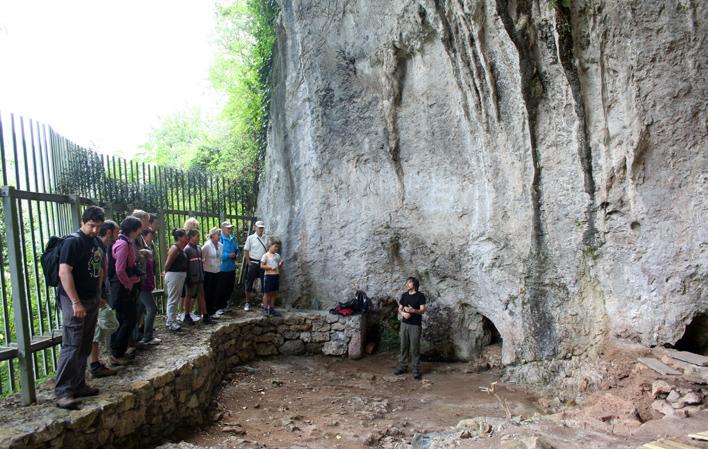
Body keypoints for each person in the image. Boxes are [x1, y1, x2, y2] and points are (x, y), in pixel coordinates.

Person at [54, 206, 105, 409]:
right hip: (74, 299)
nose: (94, 230)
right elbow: (64, 272)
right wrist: (75, 302)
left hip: (91, 297)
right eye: (92, 226)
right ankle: (63, 391)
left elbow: (100, 268)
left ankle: (78, 383)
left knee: (85, 342)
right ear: (83, 222)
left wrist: (98, 292)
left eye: (98, 227)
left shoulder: (97, 242)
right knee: (72, 343)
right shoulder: (72, 242)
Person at [87, 220, 120, 378]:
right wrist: (98, 293)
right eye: (116, 231)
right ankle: (95, 364)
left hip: (100, 292)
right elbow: (96, 271)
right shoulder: (97, 246)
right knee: (96, 327)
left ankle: (100, 360)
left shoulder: (103, 247)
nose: (118, 235)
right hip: (95, 294)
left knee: (102, 326)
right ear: (109, 232)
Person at [109, 216, 143, 364]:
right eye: (139, 229)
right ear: (134, 230)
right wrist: (129, 284)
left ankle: (119, 351)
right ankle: (117, 352)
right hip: (123, 288)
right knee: (128, 318)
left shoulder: (125, 242)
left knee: (126, 319)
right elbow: (120, 269)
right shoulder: (123, 244)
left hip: (123, 286)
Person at [394, 277, 426, 380]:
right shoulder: (404, 295)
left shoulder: (420, 296)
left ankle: (415, 369)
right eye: (407, 282)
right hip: (404, 324)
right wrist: (403, 313)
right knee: (404, 346)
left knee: (414, 348)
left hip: (415, 325)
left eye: (409, 283)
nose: (407, 284)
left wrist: (413, 311)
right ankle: (403, 366)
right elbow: (400, 307)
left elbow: (422, 310)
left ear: (414, 284)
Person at [184, 229, 214, 325]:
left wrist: (202, 273)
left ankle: (205, 315)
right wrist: (188, 278)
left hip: (200, 277)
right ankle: (186, 315)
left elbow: (200, 262)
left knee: (201, 296)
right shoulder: (187, 249)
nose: (199, 238)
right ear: (191, 237)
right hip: (191, 278)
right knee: (188, 296)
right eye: (197, 236)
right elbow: (186, 266)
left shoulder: (198, 248)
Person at [138, 228, 160, 345]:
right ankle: (147, 336)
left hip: (146, 284)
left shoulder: (148, 249)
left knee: (142, 309)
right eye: (152, 235)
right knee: (152, 308)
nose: (153, 237)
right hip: (143, 285)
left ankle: (141, 334)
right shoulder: (142, 251)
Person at [164, 229, 189, 331]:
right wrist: (166, 272)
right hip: (174, 276)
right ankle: (171, 321)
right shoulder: (175, 249)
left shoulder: (180, 249)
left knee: (175, 298)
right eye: (185, 236)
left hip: (179, 276)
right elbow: (167, 264)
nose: (187, 238)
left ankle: (171, 319)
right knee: (173, 299)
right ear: (179, 237)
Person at [243, 221, 268, 310]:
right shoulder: (250, 238)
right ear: (255, 227)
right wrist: (249, 262)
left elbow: (268, 250)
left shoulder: (266, 238)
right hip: (253, 263)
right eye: (259, 227)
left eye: (262, 228)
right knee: (249, 282)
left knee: (264, 283)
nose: (261, 229)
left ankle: (263, 303)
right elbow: (246, 250)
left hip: (262, 264)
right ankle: (247, 302)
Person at [216, 221, 238, 314]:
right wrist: (228, 255)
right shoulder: (219, 238)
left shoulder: (232, 238)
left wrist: (236, 255)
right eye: (228, 228)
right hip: (222, 268)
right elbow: (217, 253)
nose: (230, 229)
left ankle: (225, 305)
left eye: (230, 228)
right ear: (222, 228)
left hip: (231, 267)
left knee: (229, 287)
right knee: (221, 288)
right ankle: (219, 307)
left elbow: (236, 249)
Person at [260, 239, 284, 316]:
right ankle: (265, 308)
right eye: (275, 246)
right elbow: (261, 265)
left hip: (276, 275)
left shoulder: (277, 255)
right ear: (270, 246)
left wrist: (280, 264)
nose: (276, 248)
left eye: (277, 247)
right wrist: (270, 267)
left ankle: (271, 308)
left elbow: (278, 266)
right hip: (268, 276)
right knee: (267, 293)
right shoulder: (265, 255)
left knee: (274, 292)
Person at [202, 227, 223, 317]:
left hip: (217, 271)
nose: (219, 237)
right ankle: (207, 312)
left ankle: (213, 311)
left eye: (219, 235)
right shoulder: (207, 246)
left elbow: (219, 257)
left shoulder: (220, 245)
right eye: (218, 235)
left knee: (215, 291)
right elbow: (202, 259)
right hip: (208, 272)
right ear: (212, 235)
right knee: (208, 292)